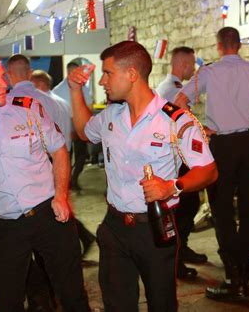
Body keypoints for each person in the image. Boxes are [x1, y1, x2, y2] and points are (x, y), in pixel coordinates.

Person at [68, 41, 218, 311]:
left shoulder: (175, 120)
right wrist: (75, 90)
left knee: (161, 303)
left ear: (132, 74)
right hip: (114, 226)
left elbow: (209, 170)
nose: (102, 81)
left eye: (108, 73)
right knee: (117, 304)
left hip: (154, 228)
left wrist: (172, 187)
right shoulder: (111, 115)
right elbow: (82, 131)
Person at [0, 51, 90, 312]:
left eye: (2, 77)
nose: (3, 83)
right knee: (5, 297)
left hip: (50, 215)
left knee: (72, 295)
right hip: (8, 224)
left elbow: (59, 150)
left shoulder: (27, 109)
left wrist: (61, 196)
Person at [175, 27, 249, 301]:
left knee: (222, 211)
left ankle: (232, 278)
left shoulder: (209, 72)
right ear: (238, 46)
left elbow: (178, 103)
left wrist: (200, 127)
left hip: (222, 146)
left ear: (218, 46)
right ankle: (245, 274)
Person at [30, 67, 96, 256]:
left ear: (41, 84)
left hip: (52, 159)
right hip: (65, 155)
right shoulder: (63, 103)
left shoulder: (42, 103)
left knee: (54, 206)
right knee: (60, 203)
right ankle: (83, 237)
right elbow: (73, 131)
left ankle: (71, 246)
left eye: (32, 85)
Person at [156, 46, 207, 280]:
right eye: (192, 64)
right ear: (184, 64)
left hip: (176, 155)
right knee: (184, 208)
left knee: (188, 206)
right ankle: (174, 259)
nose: (194, 68)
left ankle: (181, 250)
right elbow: (184, 125)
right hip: (178, 157)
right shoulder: (174, 90)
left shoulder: (167, 87)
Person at [53, 60, 93, 191]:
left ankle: (74, 179)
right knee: (66, 157)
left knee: (82, 155)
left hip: (79, 124)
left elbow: (89, 107)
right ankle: (66, 182)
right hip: (64, 126)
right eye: (73, 72)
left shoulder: (84, 88)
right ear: (68, 72)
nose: (76, 74)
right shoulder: (57, 90)